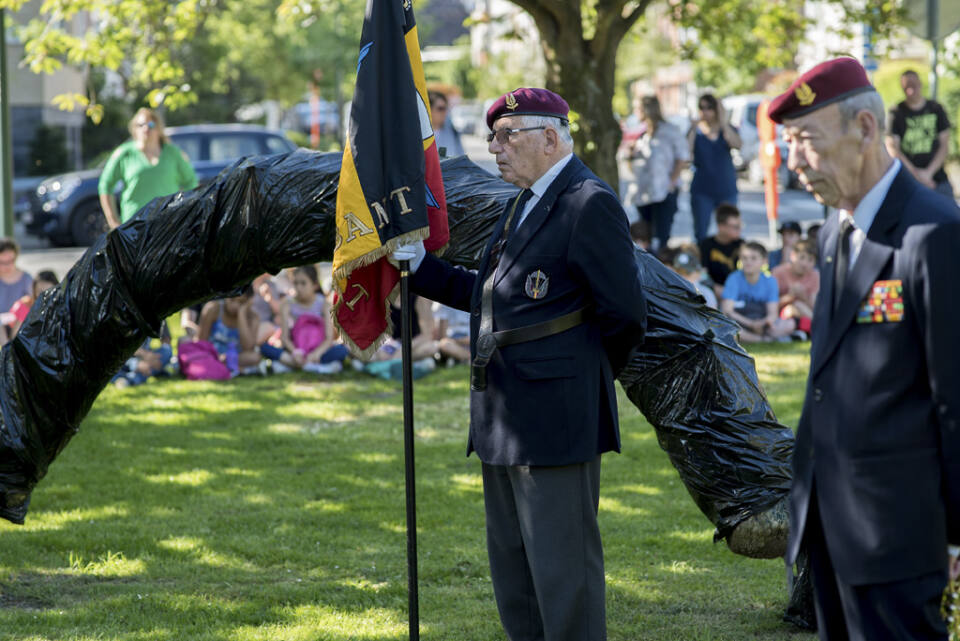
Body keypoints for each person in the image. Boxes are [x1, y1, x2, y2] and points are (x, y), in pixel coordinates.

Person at [393, 87, 646, 641]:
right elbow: (491, 294)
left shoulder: (588, 201)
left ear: (550, 137)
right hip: (503, 413)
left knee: (564, 576)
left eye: (507, 136)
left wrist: (579, 377)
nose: (494, 148)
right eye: (493, 137)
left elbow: (625, 314)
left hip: (556, 415)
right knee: (516, 575)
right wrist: (423, 269)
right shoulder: (523, 202)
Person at [772, 57, 960, 640]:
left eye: (806, 140)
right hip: (833, 525)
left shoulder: (934, 232)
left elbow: (955, 397)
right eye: (788, 144)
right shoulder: (836, 229)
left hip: (901, 534)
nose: (793, 161)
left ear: (865, 128)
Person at [98, 107, 199, 228]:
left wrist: (183, 213)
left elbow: (191, 182)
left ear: (158, 128)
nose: (146, 128)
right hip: (133, 226)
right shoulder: (124, 153)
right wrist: (113, 221)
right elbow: (105, 185)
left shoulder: (172, 153)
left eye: (151, 125)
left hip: (167, 224)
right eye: (140, 125)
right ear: (134, 129)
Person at [626, 95, 688, 252]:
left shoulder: (670, 130)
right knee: (645, 236)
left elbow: (682, 157)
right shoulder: (643, 134)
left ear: (646, 109)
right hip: (644, 192)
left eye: (637, 108)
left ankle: (661, 265)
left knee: (661, 236)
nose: (635, 112)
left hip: (664, 191)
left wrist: (671, 182)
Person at [260, 264, 346, 374]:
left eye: (303, 283)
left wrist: (316, 354)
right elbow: (285, 337)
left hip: (317, 349)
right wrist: (295, 352)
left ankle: (291, 365)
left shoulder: (323, 304)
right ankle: (315, 366)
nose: (299, 288)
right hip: (295, 349)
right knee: (265, 348)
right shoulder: (287, 304)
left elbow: (329, 338)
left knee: (342, 350)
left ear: (314, 285)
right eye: (296, 283)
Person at [885, 69, 954, 199]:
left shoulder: (936, 109)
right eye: (906, 87)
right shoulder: (896, 113)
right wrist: (917, 175)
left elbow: (944, 145)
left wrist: (928, 173)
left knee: (950, 209)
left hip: (937, 178)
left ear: (920, 84)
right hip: (907, 179)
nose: (910, 91)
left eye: (913, 85)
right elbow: (893, 148)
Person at [688, 94, 742, 243]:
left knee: (730, 230)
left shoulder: (726, 129)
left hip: (726, 189)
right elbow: (686, 153)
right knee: (701, 233)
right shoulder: (696, 131)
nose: (705, 111)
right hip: (702, 190)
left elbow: (737, 144)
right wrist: (693, 128)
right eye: (701, 107)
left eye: (709, 107)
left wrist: (723, 122)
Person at [720, 241, 792, 342]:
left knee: (790, 324)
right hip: (741, 320)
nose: (748, 262)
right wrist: (751, 324)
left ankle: (757, 337)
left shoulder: (770, 281)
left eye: (753, 258)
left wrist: (764, 323)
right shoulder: (733, 278)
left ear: (764, 261)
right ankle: (763, 339)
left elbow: (772, 313)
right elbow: (728, 310)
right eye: (744, 258)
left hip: (761, 320)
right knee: (727, 329)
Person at [771, 239, 819, 340]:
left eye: (810, 260)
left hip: (804, 314)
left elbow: (815, 307)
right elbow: (771, 305)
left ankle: (803, 331)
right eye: (802, 258)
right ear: (792, 256)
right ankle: (818, 328)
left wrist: (803, 297)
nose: (805, 263)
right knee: (792, 308)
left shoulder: (815, 275)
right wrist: (790, 296)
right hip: (780, 316)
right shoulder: (778, 272)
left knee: (798, 305)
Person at [699, 203, 743, 299]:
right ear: (721, 227)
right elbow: (702, 273)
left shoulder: (742, 245)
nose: (740, 229)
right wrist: (713, 287)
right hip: (713, 291)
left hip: (737, 291)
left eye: (740, 225)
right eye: (735, 227)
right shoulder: (706, 245)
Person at [5, 269, 57, 342]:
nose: (45, 295)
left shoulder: (59, 307)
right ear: (34, 290)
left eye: (49, 291)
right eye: (40, 291)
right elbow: (15, 337)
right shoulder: (26, 306)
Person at [666, 244, 717, 309]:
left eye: (687, 273)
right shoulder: (669, 291)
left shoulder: (706, 293)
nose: (682, 277)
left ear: (697, 273)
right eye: (679, 273)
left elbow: (713, 313)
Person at [429, 89, 465, 158]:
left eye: (446, 108)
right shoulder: (420, 137)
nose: (444, 112)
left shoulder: (454, 133)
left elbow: (461, 158)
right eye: (440, 108)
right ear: (429, 109)